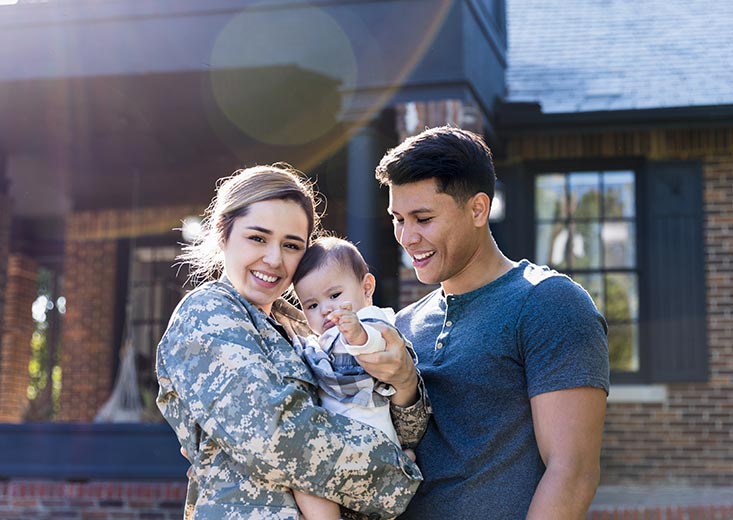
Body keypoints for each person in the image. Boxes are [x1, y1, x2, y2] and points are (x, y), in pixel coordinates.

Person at [156, 164, 428, 520]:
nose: (274, 258)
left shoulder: (307, 328)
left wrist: (405, 382)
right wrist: (394, 472)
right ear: (223, 235)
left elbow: (405, 430)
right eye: (257, 238)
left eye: (291, 245)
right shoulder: (208, 314)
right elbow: (275, 438)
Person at [374, 126, 610, 519]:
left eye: (423, 218)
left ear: (478, 209)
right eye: (398, 218)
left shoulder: (548, 303)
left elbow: (573, 471)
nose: (407, 236)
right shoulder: (405, 324)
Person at [290, 236, 418, 520]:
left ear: (366, 287)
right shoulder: (318, 341)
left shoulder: (370, 319)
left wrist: (356, 334)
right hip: (344, 448)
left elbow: (377, 343)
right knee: (306, 482)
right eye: (311, 305)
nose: (325, 309)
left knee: (305, 476)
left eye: (334, 296)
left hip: (368, 439)